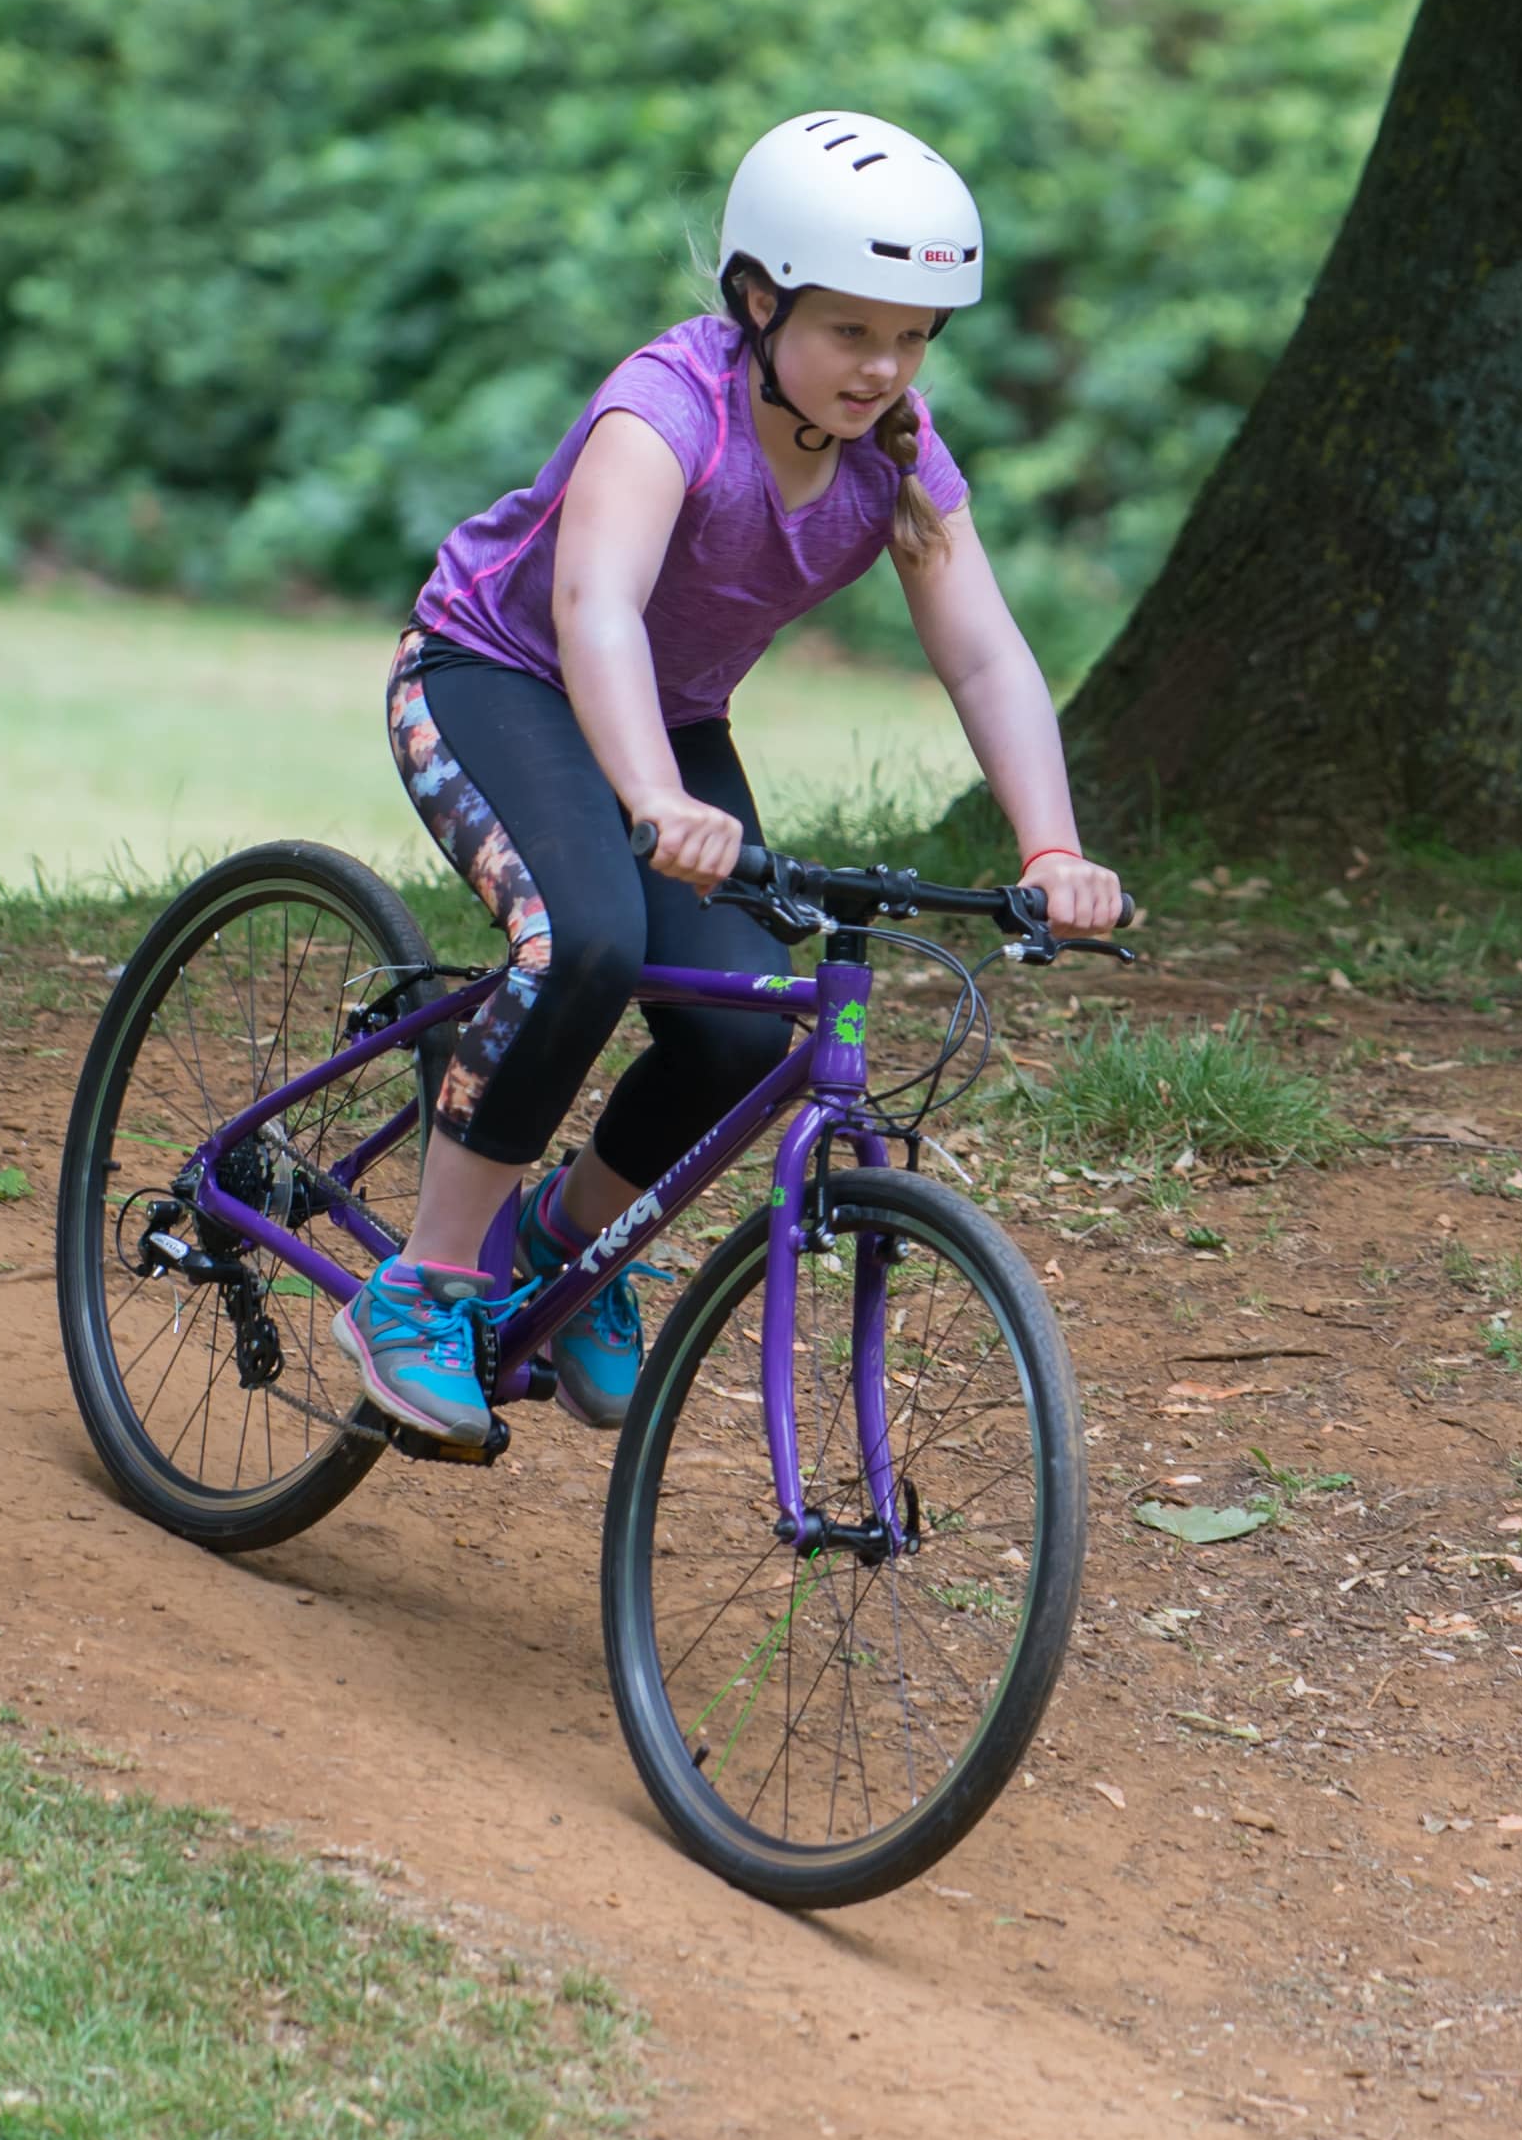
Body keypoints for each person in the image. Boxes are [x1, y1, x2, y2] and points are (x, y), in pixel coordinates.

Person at [350, 112, 1123, 1442]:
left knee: (745, 1025)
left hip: (673, 716)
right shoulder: (667, 409)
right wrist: (653, 799)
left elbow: (987, 656)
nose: (884, 367)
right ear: (757, 300)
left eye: (916, 336)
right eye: (851, 331)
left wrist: (1052, 848)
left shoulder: (894, 455)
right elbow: (595, 611)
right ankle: (421, 1286)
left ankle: (566, 1244)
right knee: (581, 941)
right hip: (496, 678)